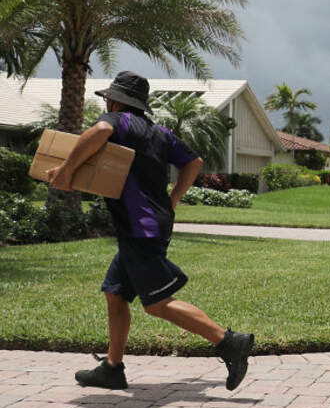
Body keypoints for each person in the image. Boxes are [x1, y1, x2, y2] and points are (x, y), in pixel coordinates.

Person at [46, 71, 254, 391]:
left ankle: (229, 342)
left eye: (109, 100)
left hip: (139, 226)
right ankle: (112, 368)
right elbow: (194, 161)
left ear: (116, 101)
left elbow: (100, 130)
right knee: (116, 293)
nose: (107, 105)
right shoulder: (159, 133)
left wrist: (66, 170)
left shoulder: (117, 121)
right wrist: (174, 198)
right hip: (151, 222)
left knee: (157, 303)